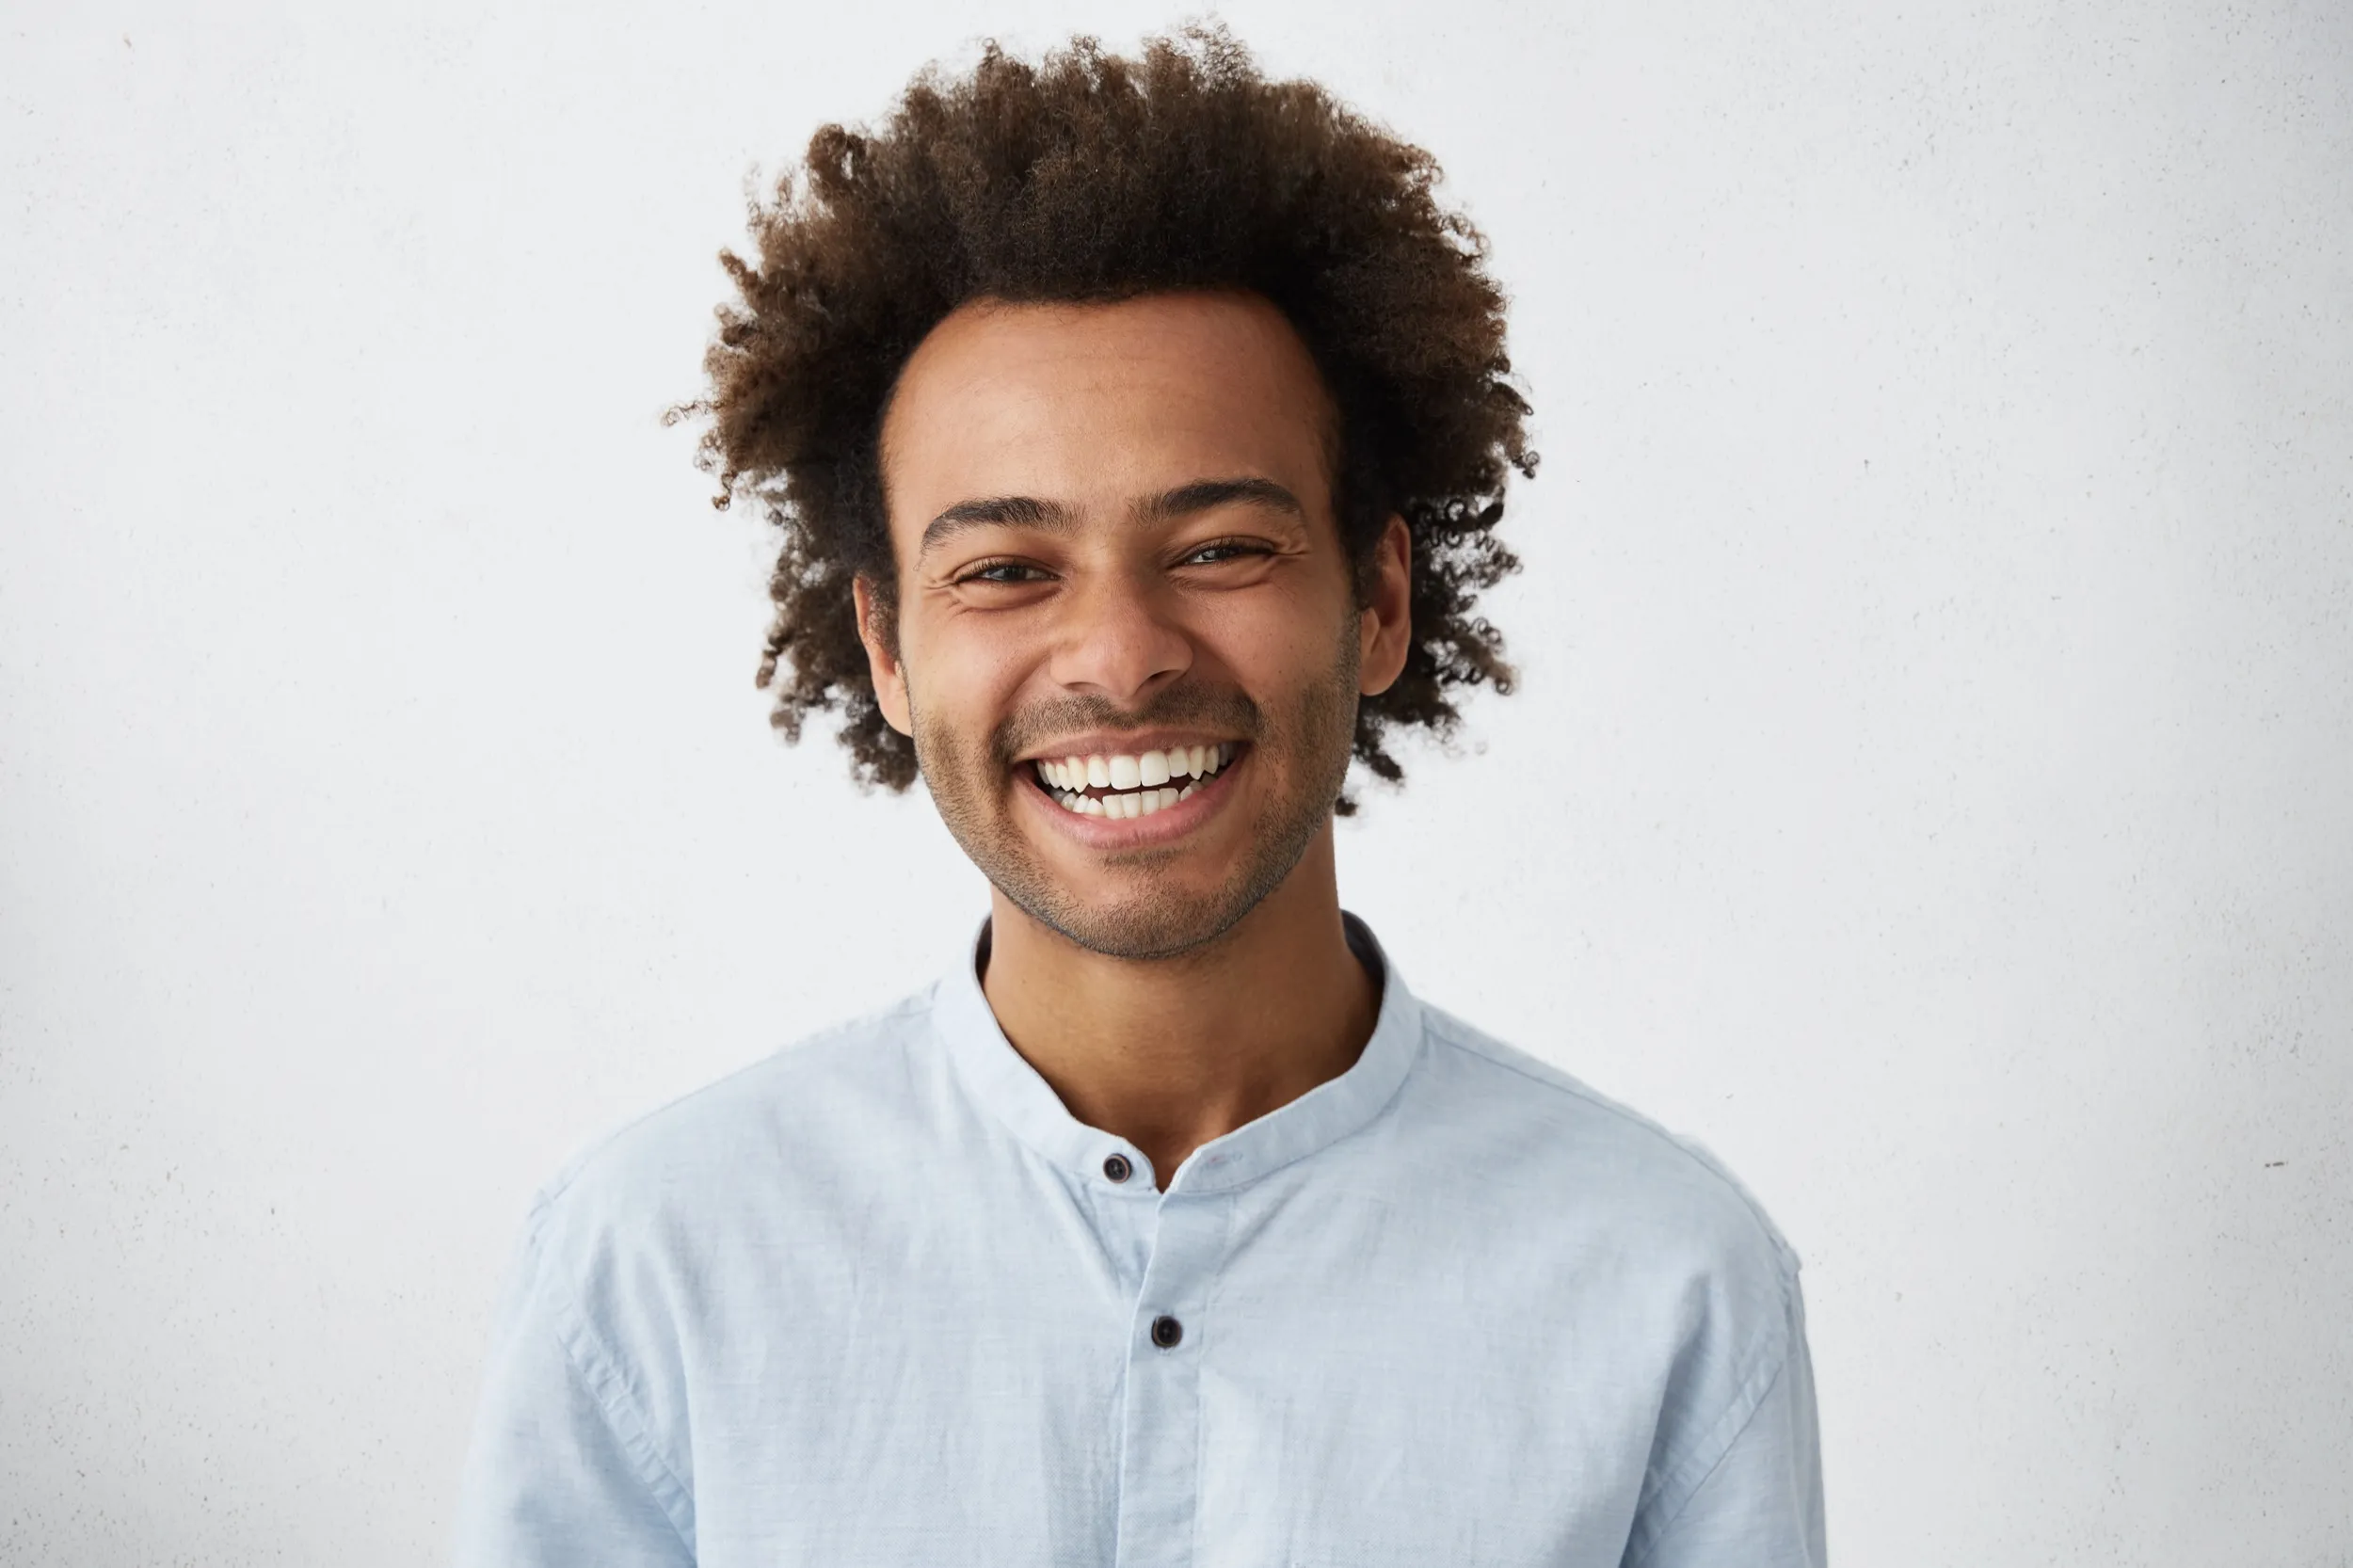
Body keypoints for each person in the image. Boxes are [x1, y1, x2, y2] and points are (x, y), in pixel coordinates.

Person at [452, 27, 1825, 1567]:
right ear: (890, 649)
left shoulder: (1667, 1279)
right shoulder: (653, 1263)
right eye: (1004, 570)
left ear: (1379, 599)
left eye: (1222, 546)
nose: (1119, 655)